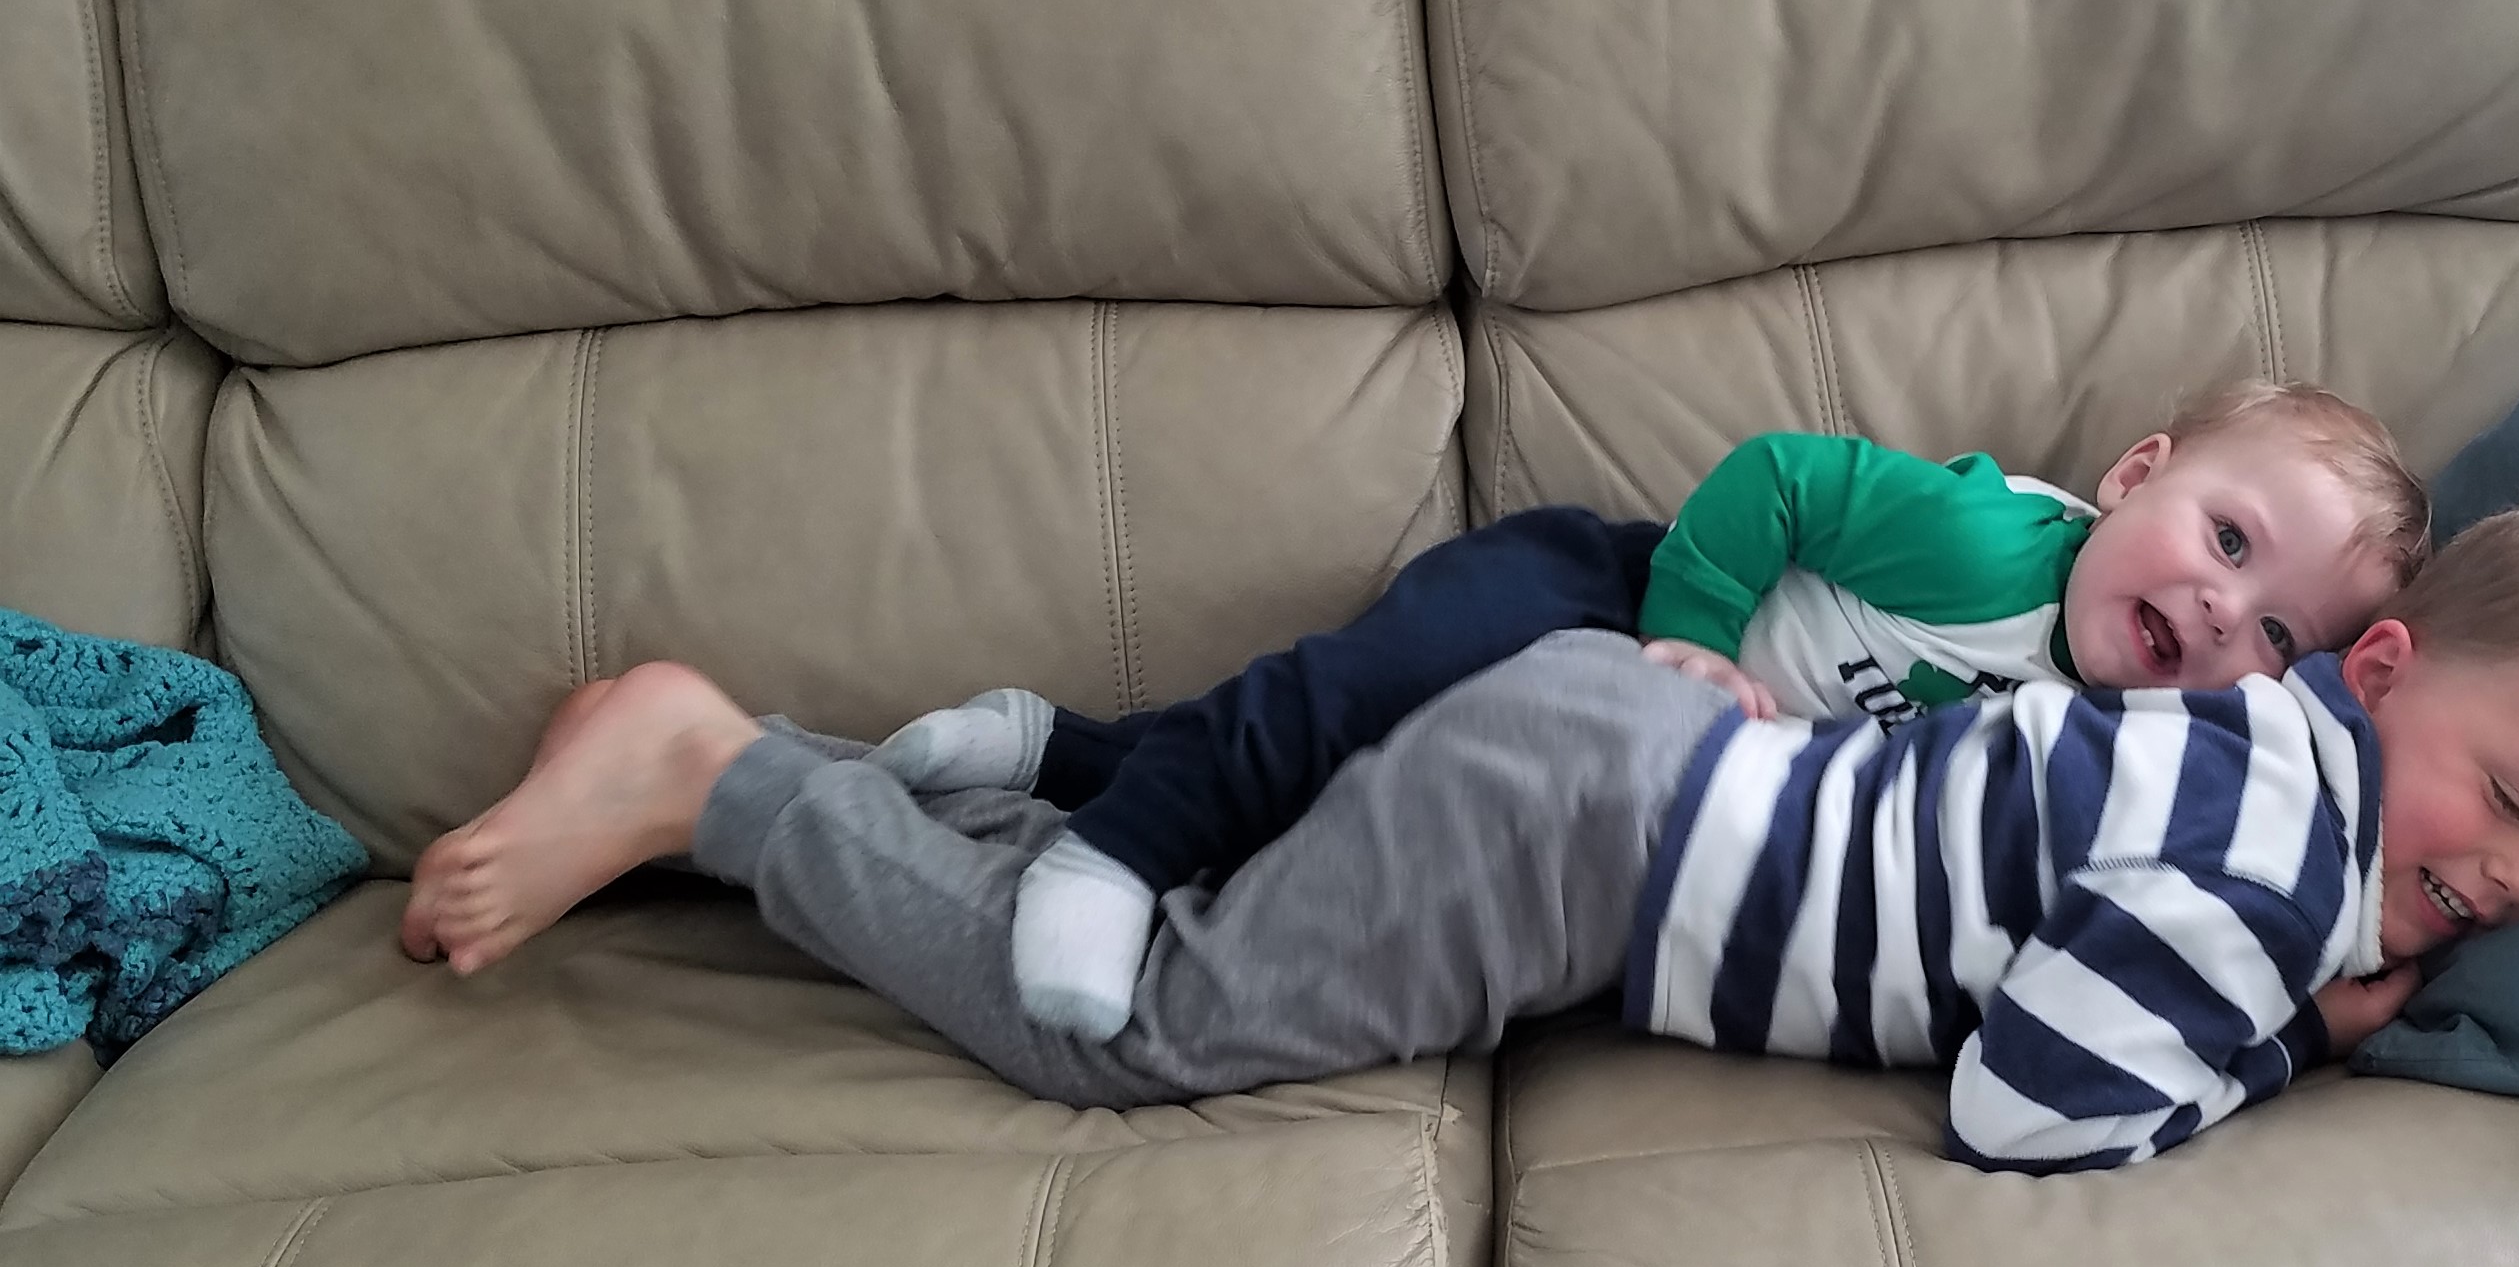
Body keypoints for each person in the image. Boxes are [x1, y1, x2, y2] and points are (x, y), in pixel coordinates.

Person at [395, 489, 2519, 1175]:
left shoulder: (2236, 748)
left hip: (1612, 761)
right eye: (2511, 802)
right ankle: (720, 780)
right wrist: (2295, 1041)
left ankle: (855, 776)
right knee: (1128, 1033)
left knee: (1211, 907)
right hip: (1583, 848)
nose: (2514, 884)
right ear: (2378, 670)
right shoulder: (2268, 883)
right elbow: (2029, 1108)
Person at [862, 380, 2428, 1039]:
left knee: (1345, 817)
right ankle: (1116, 852)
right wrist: (1688, 636)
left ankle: (1059, 754)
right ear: (2138, 476)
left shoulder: (2134, 753)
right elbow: (1779, 478)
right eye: (2227, 542)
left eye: (2273, 630)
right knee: (1353, 702)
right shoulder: (1986, 544)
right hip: (1606, 597)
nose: (2218, 611)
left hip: (1648, 782)